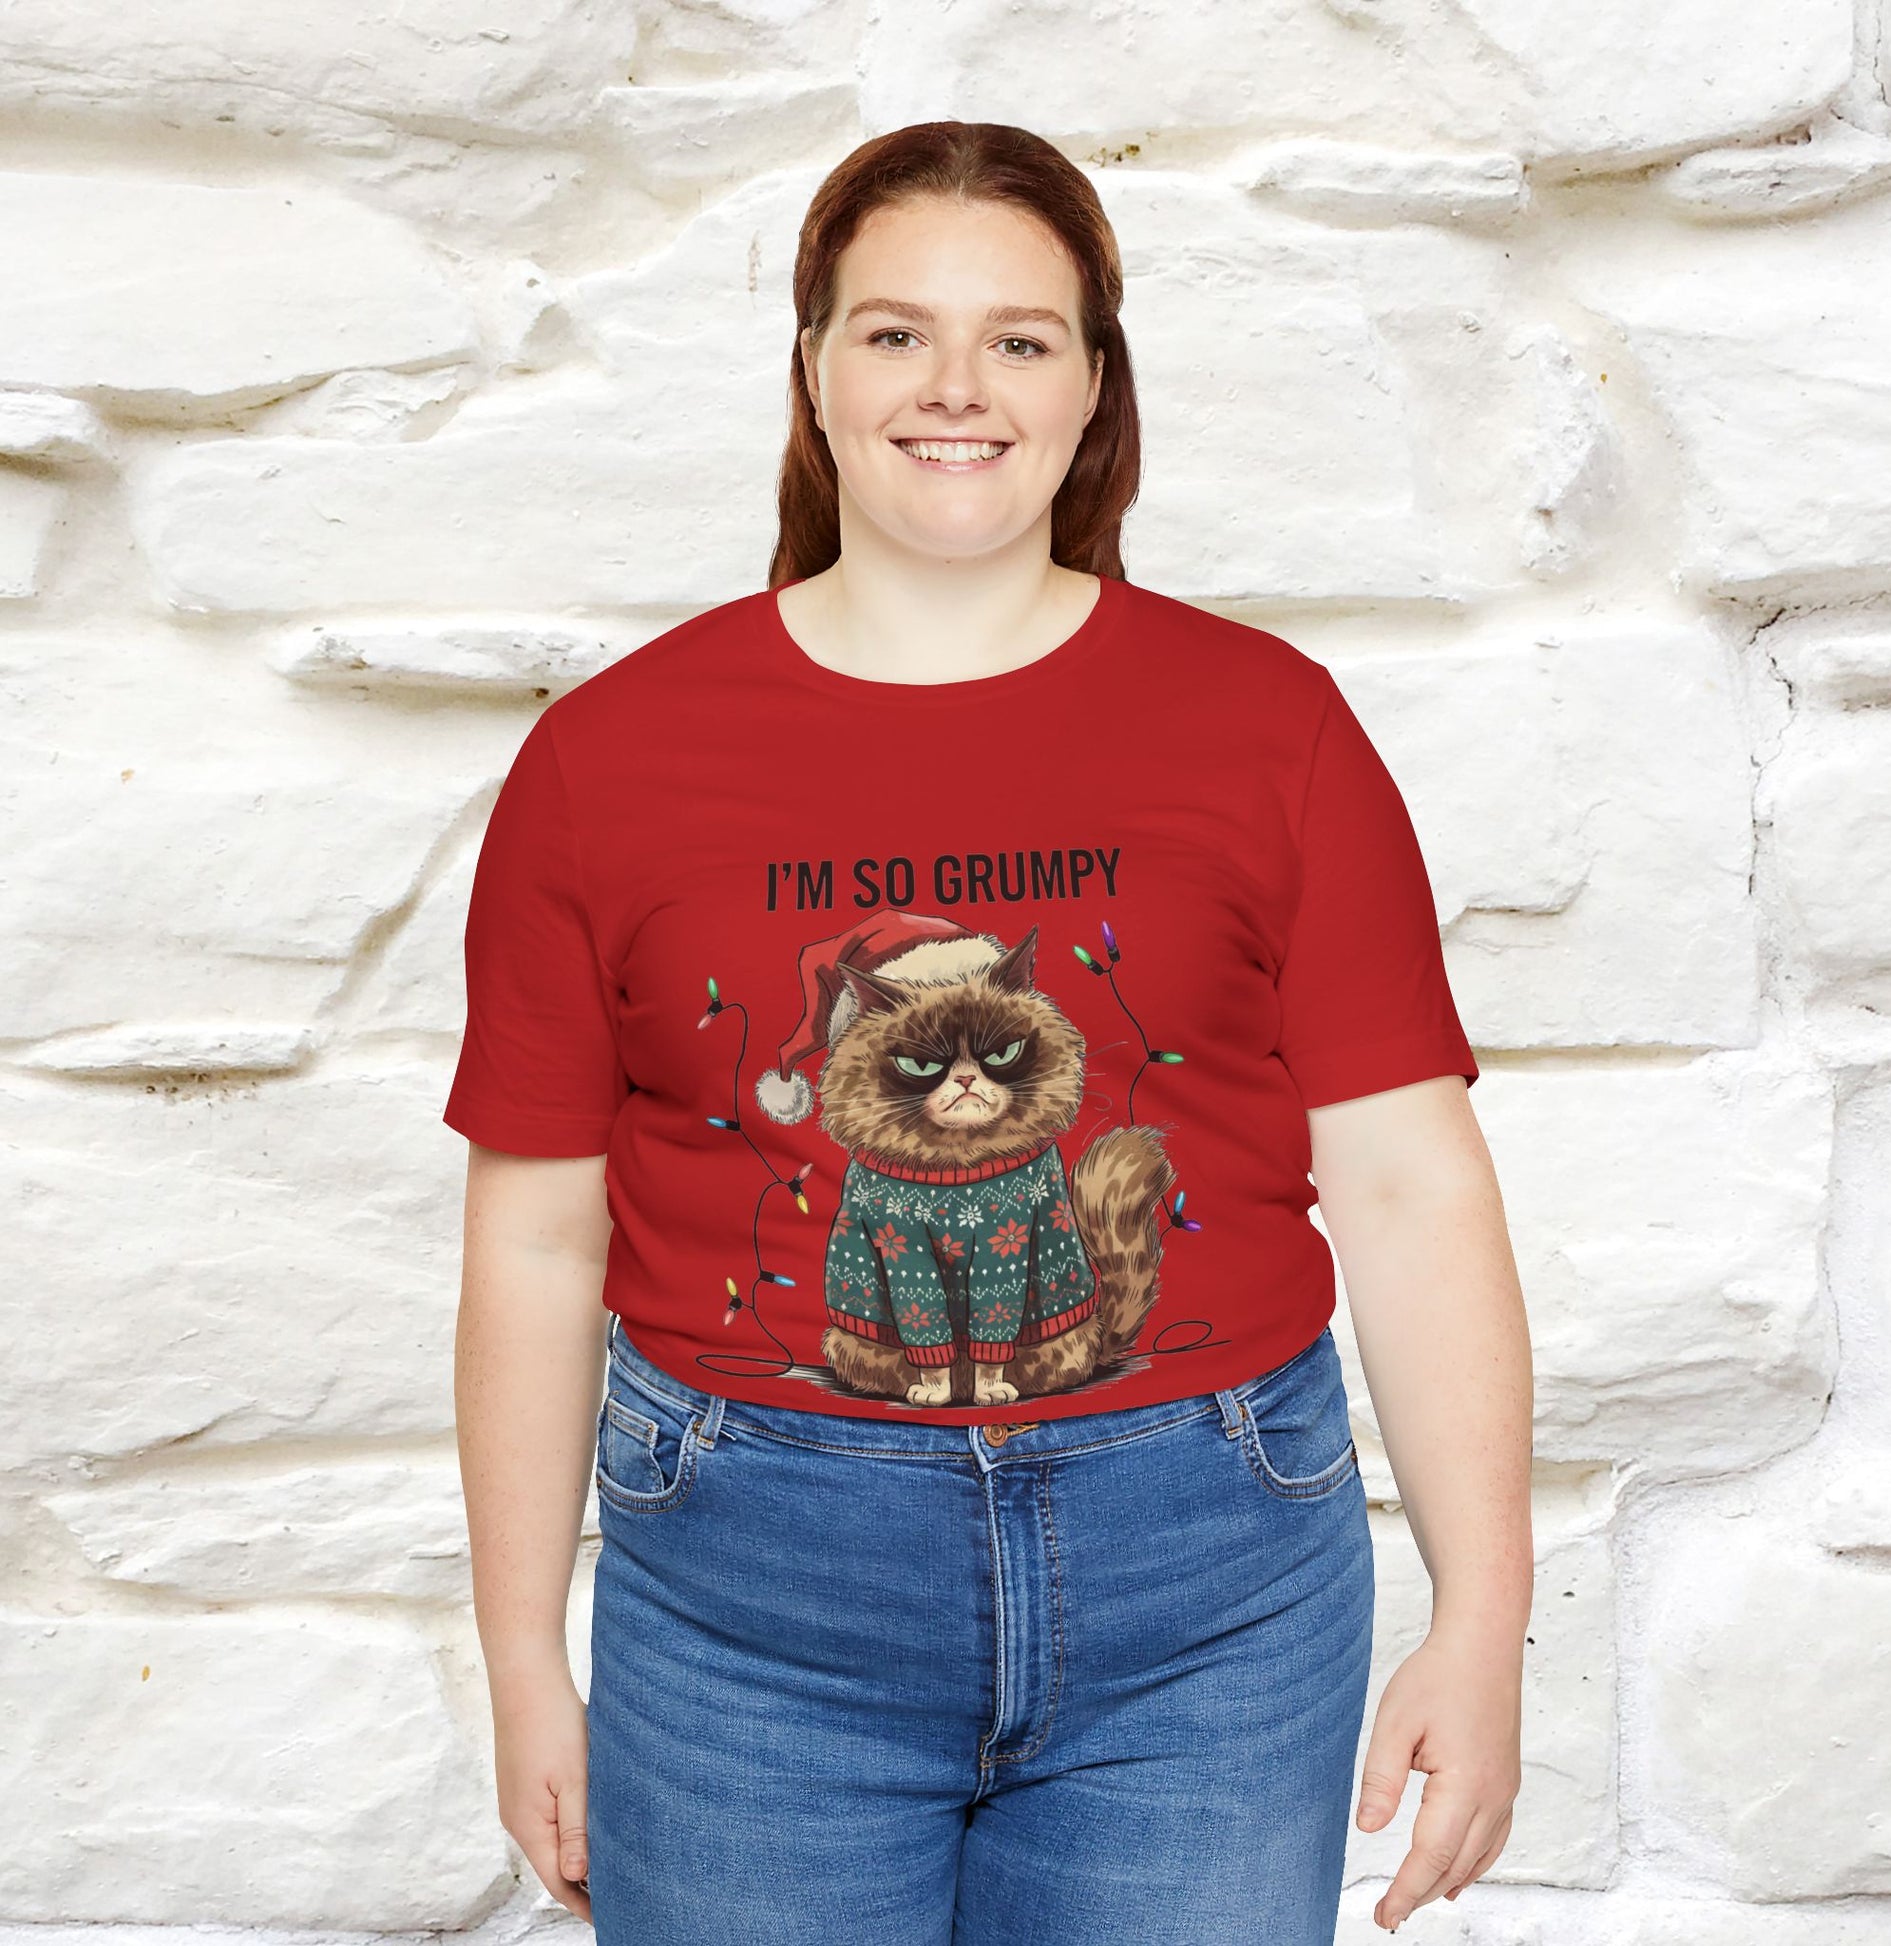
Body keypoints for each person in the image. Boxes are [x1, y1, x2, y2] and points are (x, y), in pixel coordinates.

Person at [446, 121, 1533, 1945]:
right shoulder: (606, 758)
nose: (955, 386)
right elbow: (537, 1239)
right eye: (895, 332)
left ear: (1092, 384)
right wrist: (520, 1662)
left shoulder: (1267, 726)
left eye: (1018, 338)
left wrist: (1483, 1617)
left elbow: (1411, 1186)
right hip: (750, 1608)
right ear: (813, 368)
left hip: (1209, 1596)